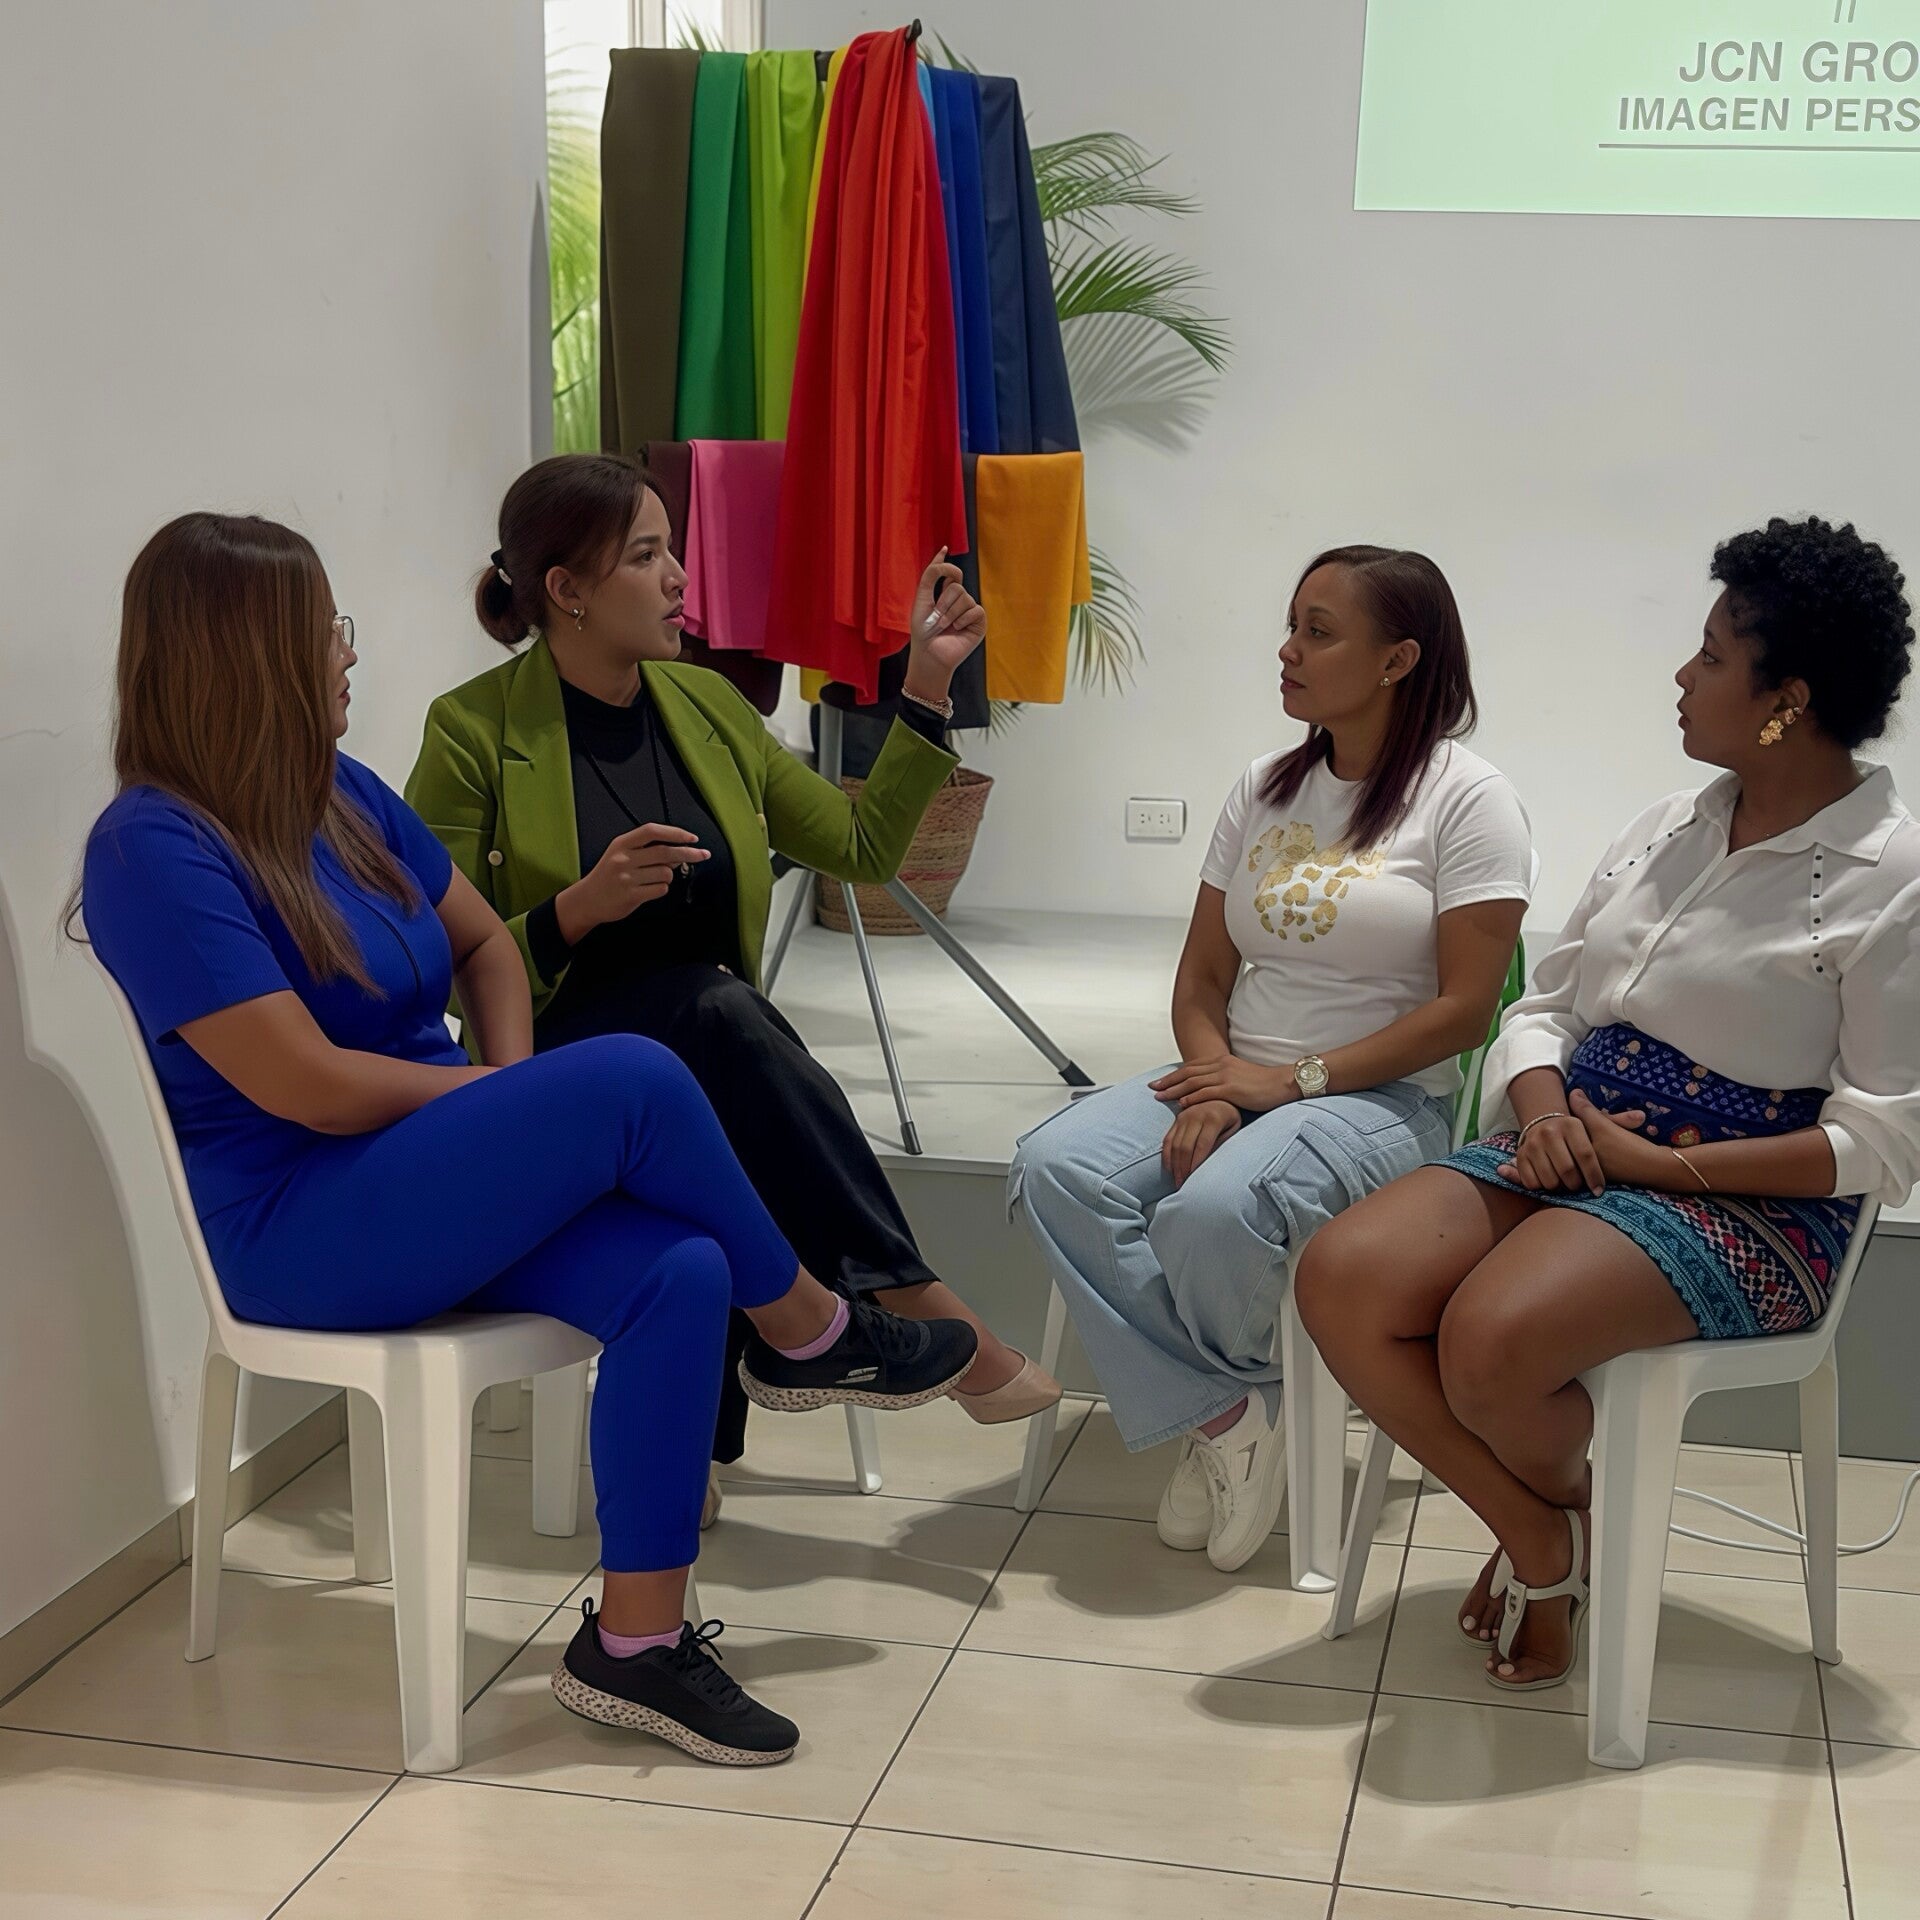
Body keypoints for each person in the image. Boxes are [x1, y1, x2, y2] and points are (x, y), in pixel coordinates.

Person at [81, 512, 982, 1766]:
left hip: (416, 1181)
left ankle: (635, 1644)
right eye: (325, 631)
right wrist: (499, 1112)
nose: (348, 652)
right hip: (300, 1226)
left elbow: (488, 948)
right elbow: (307, 1087)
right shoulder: (151, 848)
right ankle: (813, 1329)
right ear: (247, 654)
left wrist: (508, 1099)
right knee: (634, 1073)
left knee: (682, 1268)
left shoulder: (343, 796)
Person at [1297, 516, 1920, 1692]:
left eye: (1711, 657)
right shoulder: (1668, 828)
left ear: (1786, 702)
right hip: (1572, 1143)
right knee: (1342, 1276)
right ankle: (1546, 1532)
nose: (1682, 676)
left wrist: (1660, 1167)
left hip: (1745, 1202)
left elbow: (1880, 1142)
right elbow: (1544, 1008)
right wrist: (1542, 1114)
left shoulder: (1893, 877)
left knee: (1489, 1337)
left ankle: (1552, 1540)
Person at [406, 456, 1060, 1517]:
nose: (679, 578)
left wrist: (927, 689)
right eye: (646, 555)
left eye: (673, 549)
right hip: (558, 1072)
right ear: (567, 590)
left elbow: (860, 847)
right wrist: (576, 909)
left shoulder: (708, 704)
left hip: (700, 1068)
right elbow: (427, 964)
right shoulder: (473, 730)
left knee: (711, 1056)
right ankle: (905, 1294)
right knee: (714, 1021)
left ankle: (694, 1450)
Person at [1011, 546, 1533, 1572]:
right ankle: (1229, 1411)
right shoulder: (1263, 786)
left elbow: (1467, 1012)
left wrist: (1288, 1082)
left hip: (1382, 1101)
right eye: (1291, 626)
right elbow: (1203, 976)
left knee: (1214, 1211)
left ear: (1398, 660)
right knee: (1052, 1165)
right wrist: (1216, 1083)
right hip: (1237, 1074)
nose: (1287, 650)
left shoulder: (1470, 801)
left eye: (1318, 632)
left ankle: (1214, 1405)